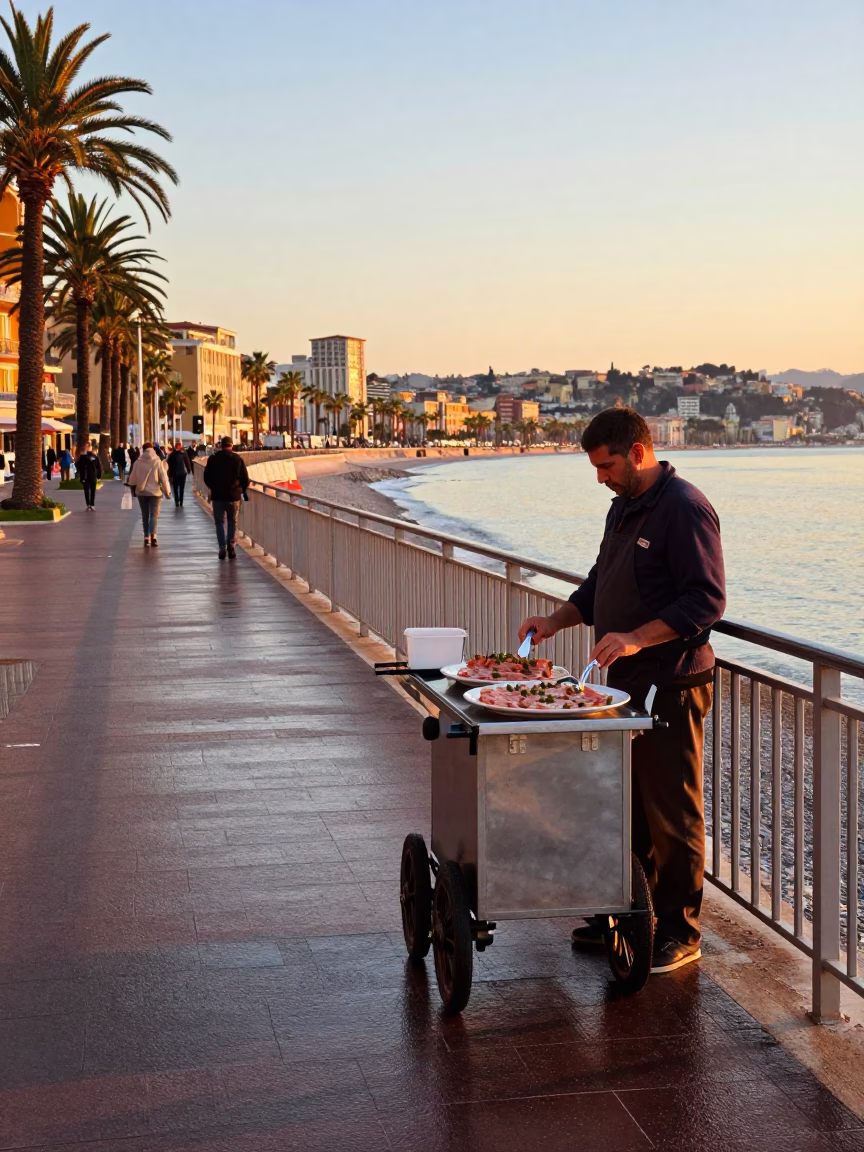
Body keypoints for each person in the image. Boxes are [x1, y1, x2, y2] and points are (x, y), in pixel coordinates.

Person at [519, 407, 726, 975]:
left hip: (674, 681)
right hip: (627, 684)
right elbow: (599, 581)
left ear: (637, 452)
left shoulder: (685, 508)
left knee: (673, 812)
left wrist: (637, 637)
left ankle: (681, 931)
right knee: (632, 806)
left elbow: (706, 602)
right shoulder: (622, 507)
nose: (600, 477)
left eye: (607, 465)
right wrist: (556, 620)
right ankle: (634, 916)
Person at [203, 436, 249, 560]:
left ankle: (222, 548)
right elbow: (245, 478)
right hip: (233, 496)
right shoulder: (238, 459)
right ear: (232, 445)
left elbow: (206, 476)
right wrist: (241, 490)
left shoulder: (213, 459)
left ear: (221, 445)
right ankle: (231, 545)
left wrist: (212, 487)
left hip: (218, 496)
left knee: (219, 522)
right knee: (232, 520)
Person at [127, 441, 171, 547]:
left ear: (143, 450)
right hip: (155, 492)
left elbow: (132, 479)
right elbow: (164, 478)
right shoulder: (157, 462)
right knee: (154, 515)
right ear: (152, 449)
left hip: (141, 493)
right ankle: (153, 536)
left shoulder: (138, 462)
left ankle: (146, 537)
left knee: (145, 515)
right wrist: (167, 491)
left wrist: (133, 487)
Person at [75, 445, 102, 510]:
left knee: (87, 491)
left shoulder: (82, 457)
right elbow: (99, 467)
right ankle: (92, 504)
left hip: (85, 477)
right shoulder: (95, 456)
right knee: (92, 490)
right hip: (92, 476)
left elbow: (78, 466)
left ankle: (88, 504)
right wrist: (98, 475)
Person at [167, 440, 192, 507]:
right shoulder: (184, 453)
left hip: (175, 473)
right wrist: (189, 470)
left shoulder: (172, 455)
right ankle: (181, 501)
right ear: (180, 447)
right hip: (183, 473)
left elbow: (169, 464)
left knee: (175, 488)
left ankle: (177, 501)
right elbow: (187, 462)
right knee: (182, 488)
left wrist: (169, 474)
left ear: (175, 447)